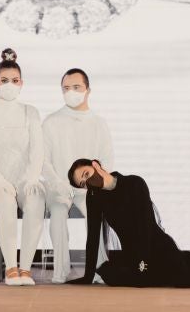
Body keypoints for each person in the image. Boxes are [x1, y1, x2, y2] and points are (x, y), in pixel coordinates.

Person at [66, 158, 190, 288]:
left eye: (85, 173)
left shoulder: (134, 183)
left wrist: (143, 262)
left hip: (156, 246)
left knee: (181, 280)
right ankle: (165, 269)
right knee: (109, 275)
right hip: (133, 254)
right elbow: (93, 236)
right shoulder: (95, 199)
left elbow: (146, 226)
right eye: (82, 183)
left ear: (96, 165)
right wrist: (88, 276)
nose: (87, 181)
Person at [0, 48, 46, 286]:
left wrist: (32, 179)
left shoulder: (31, 112)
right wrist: (1, 182)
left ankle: (26, 268)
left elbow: (38, 151)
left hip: (24, 181)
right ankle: (11, 269)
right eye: (4, 81)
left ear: (21, 83)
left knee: (36, 199)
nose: (9, 85)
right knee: (5, 200)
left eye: (14, 81)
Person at [42, 68, 114, 283]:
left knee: (95, 215)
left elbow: (106, 162)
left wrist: (93, 185)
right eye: (66, 88)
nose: (70, 92)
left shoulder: (99, 124)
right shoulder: (51, 122)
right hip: (59, 188)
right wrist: (56, 183)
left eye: (76, 87)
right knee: (57, 214)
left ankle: (100, 269)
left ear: (87, 90)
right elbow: (42, 160)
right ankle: (60, 271)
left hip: (88, 188)